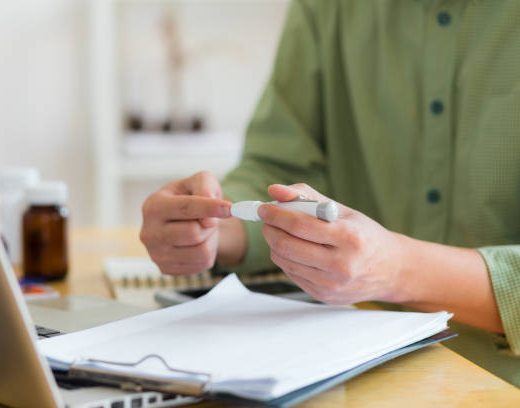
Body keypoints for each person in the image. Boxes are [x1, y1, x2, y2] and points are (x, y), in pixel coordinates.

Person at [140, 0, 520, 386]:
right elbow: (279, 169)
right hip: (354, 368)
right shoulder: (325, 8)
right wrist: (215, 228)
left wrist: (398, 268)